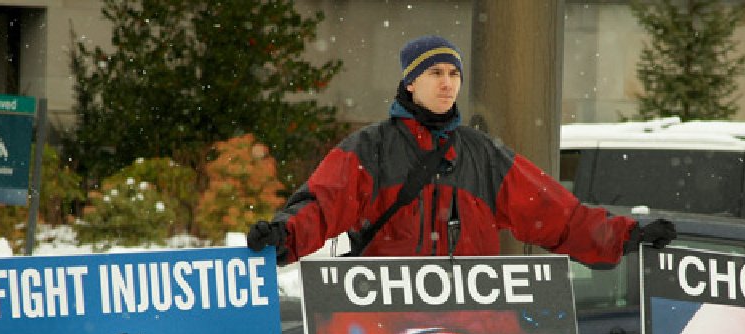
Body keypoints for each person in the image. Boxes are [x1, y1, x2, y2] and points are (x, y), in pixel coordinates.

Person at [247, 34, 676, 263]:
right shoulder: (370, 148)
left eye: (454, 72)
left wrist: (625, 234)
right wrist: (284, 234)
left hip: (469, 322)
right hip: (387, 319)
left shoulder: (483, 154)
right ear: (411, 82)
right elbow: (322, 205)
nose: (448, 82)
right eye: (435, 72)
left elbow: (558, 216)